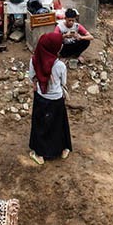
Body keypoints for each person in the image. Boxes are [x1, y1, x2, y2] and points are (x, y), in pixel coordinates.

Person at [28, 32, 72, 165]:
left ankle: (40, 154)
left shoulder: (34, 60)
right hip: (57, 99)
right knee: (59, 124)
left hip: (41, 98)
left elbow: (32, 77)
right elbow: (63, 82)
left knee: (40, 125)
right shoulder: (60, 66)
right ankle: (63, 148)